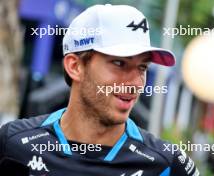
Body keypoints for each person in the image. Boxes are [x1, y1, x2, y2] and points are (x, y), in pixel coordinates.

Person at [0, 4, 199, 176]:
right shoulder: (13, 143)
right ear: (75, 67)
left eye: (142, 67)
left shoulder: (166, 163)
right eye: (120, 63)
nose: (135, 83)